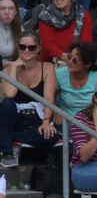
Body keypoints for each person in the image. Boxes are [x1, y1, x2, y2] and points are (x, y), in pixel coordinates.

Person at [0, 33, 59, 169]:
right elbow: (10, 94)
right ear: (18, 48)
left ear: (38, 49)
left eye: (31, 47)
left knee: (51, 136)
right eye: (23, 47)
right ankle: (8, 153)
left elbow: (48, 98)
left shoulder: (47, 67)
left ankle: (6, 139)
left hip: (37, 118)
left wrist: (46, 121)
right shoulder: (8, 70)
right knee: (6, 104)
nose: (26, 50)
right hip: (16, 118)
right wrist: (14, 67)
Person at [32, 0, 92, 65]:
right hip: (50, 65)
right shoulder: (45, 16)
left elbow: (86, 44)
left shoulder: (84, 16)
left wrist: (74, 60)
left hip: (77, 63)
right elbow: (48, 47)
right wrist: (65, 57)